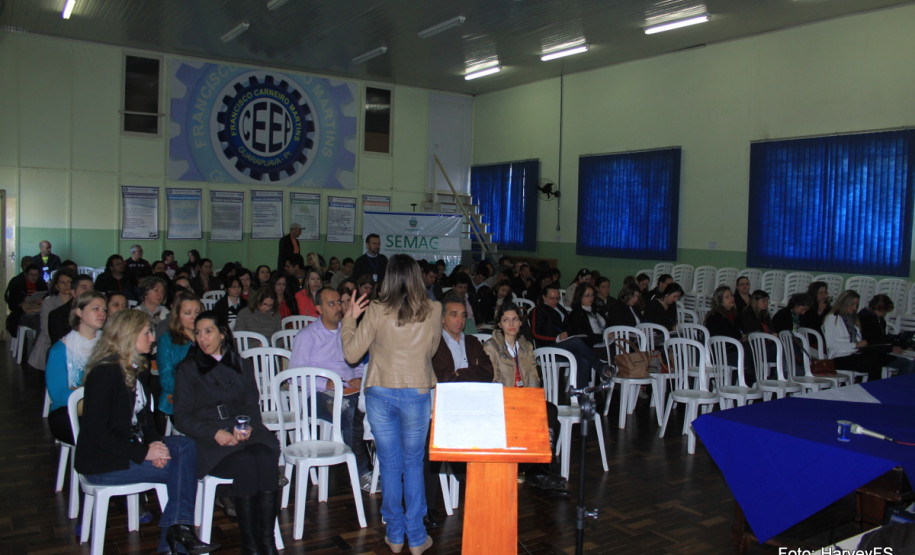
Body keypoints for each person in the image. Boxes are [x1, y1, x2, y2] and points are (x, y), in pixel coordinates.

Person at [74, 309, 215, 555]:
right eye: (147, 333)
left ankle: (177, 534)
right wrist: (143, 452)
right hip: (102, 463)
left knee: (185, 446)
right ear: (128, 335)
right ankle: (176, 540)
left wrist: (155, 447)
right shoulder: (104, 374)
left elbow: (146, 422)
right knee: (182, 467)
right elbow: (98, 434)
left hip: (128, 451)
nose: (152, 338)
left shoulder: (135, 369)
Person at [341, 254, 440, 555]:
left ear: (388, 278)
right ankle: (417, 537)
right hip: (416, 390)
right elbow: (431, 350)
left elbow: (351, 354)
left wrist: (349, 319)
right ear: (416, 277)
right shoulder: (434, 309)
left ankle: (395, 536)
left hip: (380, 391)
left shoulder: (376, 310)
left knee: (391, 464)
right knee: (413, 464)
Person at [173, 312, 281, 554]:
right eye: (198, 333)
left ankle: (268, 539)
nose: (202, 338)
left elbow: (252, 405)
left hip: (243, 430)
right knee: (245, 463)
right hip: (210, 440)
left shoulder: (241, 364)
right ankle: (250, 542)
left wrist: (248, 425)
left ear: (222, 334)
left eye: (208, 331)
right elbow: (181, 416)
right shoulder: (188, 369)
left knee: (265, 458)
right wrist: (215, 433)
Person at [483, 302, 566, 494]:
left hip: (525, 398)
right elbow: (492, 380)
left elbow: (534, 378)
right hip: (504, 400)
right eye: (506, 320)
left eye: (514, 319)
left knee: (550, 412)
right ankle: (538, 471)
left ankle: (541, 468)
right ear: (499, 324)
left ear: (520, 322)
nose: (511, 324)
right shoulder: (492, 347)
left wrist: (532, 402)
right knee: (544, 417)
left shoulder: (526, 346)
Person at [289, 287, 370, 481]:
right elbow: (296, 376)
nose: (338, 307)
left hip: (349, 388)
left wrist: (358, 377)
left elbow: (357, 362)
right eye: (331, 304)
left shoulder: (347, 331)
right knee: (351, 412)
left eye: (339, 303)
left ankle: (378, 466)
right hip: (318, 395)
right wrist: (326, 384)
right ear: (319, 309)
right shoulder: (307, 336)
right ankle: (360, 471)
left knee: (377, 404)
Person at [46, 291, 107, 444]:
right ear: (79, 312)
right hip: (69, 410)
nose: (102, 313)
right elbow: (58, 395)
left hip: (104, 407)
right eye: (96, 308)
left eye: (104, 310)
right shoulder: (61, 350)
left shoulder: (109, 345)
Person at [529, 283, 607, 388]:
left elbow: (568, 326)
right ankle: (601, 368)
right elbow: (536, 334)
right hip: (547, 347)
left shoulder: (560, 308)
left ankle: (581, 393)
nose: (555, 301)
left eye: (557, 298)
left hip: (563, 345)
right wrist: (556, 338)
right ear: (544, 297)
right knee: (577, 342)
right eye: (551, 298)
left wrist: (568, 333)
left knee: (583, 358)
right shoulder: (538, 311)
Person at [822, 290, 891, 382]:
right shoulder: (832, 318)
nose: (855, 308)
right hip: (839, 356)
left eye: (856, 305)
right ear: (845, 303)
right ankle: (873, 387)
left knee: (877, 356)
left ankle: (873, 386)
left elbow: (856, 339)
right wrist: (855, 345)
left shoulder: (852, 319)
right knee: (875, 360)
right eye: (852, 304)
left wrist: (861, 344)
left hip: (853, 354)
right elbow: (831, 344)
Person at [156, 291, 201, 427]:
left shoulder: (207, 337)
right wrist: (193, 393)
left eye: (197, 313)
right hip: (181, 399)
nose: (194, 317)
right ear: (177, 315)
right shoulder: (167, 340)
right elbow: (166, 378)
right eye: (188, 313)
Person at [28, 268, 75, 370]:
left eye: (69, 282)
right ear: (57, 286)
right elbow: (46, 329)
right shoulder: (49, 302)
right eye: (62, 282)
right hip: (50, 343)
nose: (66, 285)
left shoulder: (77, 302)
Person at [858, 294, 915, 375]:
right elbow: (873, 343)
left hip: (881, 351)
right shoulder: (866, 319)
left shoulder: (878, 319)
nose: (885, 314)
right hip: (872, 354)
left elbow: (882, 339)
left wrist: (903, 346)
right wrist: (890, 349)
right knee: (909, 363)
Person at [5, 260, 48, 336]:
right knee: (40, 324)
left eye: (36, 275)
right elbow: (12, 305)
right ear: (26, 274)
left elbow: (47, 296)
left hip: (38, 312)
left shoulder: (41, 283)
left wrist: (41, 301)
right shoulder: (17, 283)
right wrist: (23, 301)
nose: (33, 278)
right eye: (31, 275)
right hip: (21, 314)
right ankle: (37, 346)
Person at [48, 274, 94, 345]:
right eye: (84, 288)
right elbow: (60, 343)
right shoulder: (58, 315)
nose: (89, 292)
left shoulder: (97, 312)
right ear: (73, 293)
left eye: (91, 288)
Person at [564, 283, 607, 350]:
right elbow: (585, 336)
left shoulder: (597, 309)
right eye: (587, 296)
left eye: (592, 295)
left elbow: (607, 323)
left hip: (606, 341)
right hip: (592, 346)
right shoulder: (576, 314)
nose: (590, 298)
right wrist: (605, 336)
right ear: (580, 296)